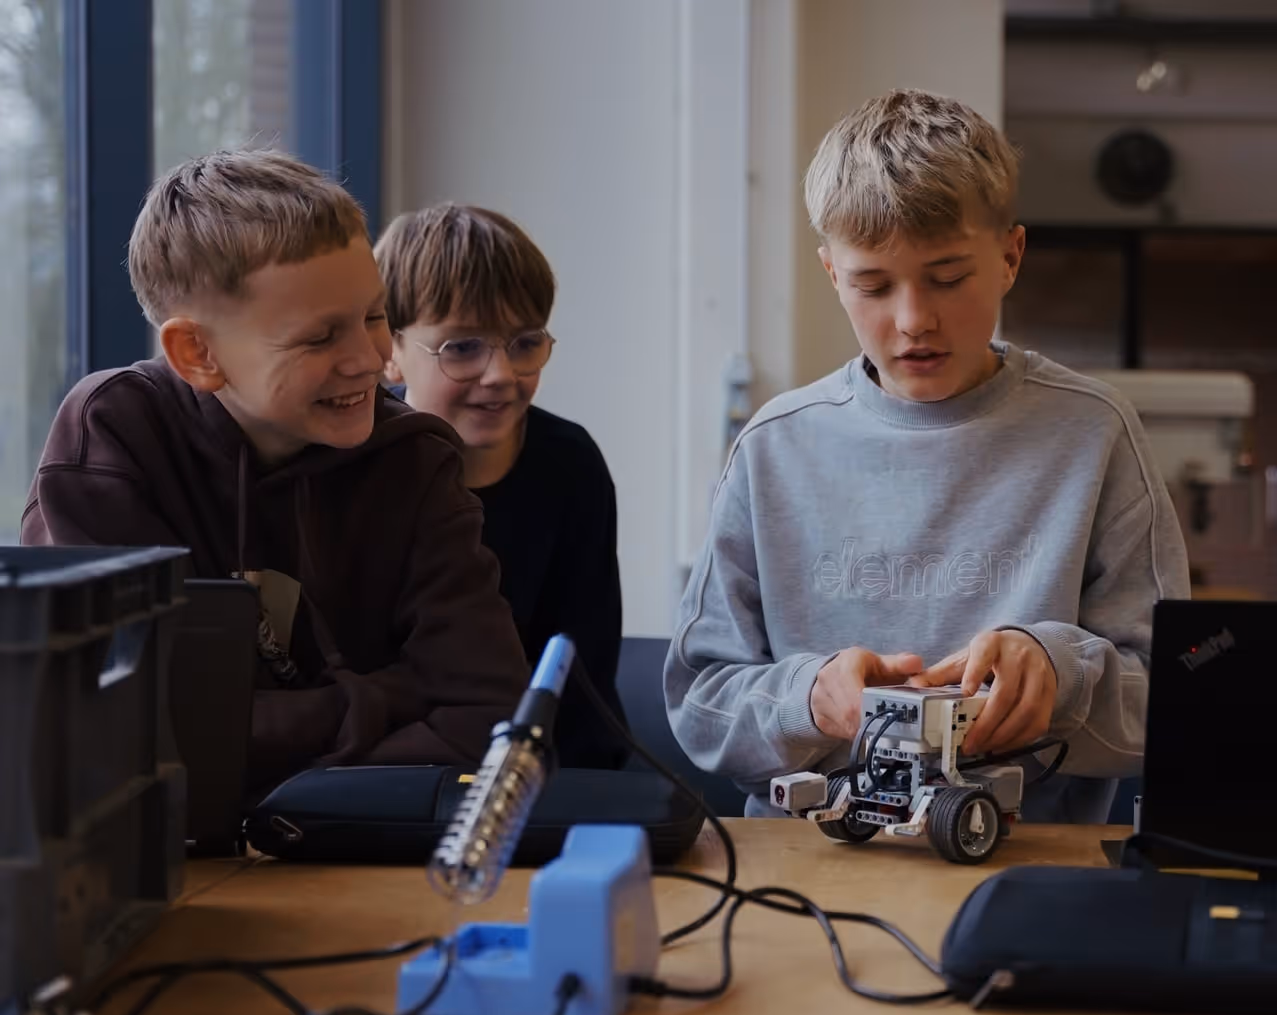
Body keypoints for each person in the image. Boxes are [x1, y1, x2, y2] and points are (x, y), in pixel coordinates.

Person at [665, 89, 1190, 823]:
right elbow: (699, 706)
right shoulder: (774, 446)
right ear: (831, 275)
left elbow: (1178, 691)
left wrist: (1058, 675)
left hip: (1026, 867)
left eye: (948, 278)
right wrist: (811, 699)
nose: (913, 321)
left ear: (1010, 256)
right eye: (872, 286)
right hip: (812, 869)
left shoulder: (1094, 433)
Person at [22, 149, 529, 794]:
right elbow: (115, 730)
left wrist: (246, 735)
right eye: (319, 338)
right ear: (197, 352)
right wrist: (381, 700)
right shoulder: (114, 433)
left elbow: (489, 725)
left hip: (360, 863)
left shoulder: (415, 457)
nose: (369, 360)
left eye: (374, 317)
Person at [376, 204, 627, 768]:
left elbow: (584, 681)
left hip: (540, 780)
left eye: (523, 343)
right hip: (393, 775)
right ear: (389, 352)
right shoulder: (358, 467)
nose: (500, 374)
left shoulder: (571, 466)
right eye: (462, 348)